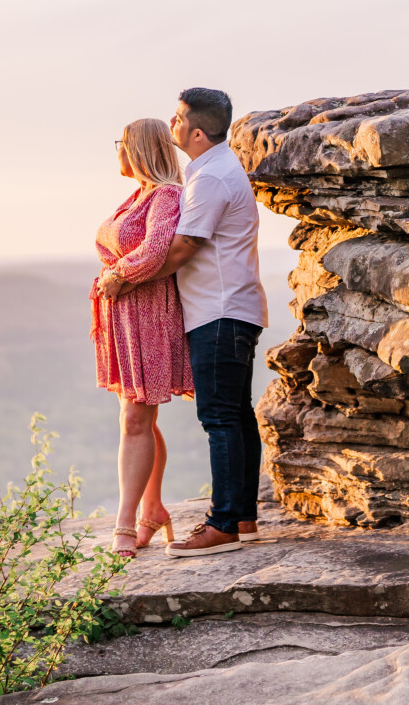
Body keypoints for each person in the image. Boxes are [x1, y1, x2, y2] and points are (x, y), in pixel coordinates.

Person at [107, 87, 268, 557]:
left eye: (177, 119)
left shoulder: (212, 179)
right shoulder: (213, 171)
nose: (170, 124)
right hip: (230, 308)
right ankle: (242, 515)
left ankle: (222, 525)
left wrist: (126, 280)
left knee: (220, 418)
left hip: (218, 311)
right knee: (238, 416)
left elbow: (181, 247)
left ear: (196, 131)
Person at [90, 118, 194, 559]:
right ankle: (153, 508)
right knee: (140, 420)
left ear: (137, 148)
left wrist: (117, 275)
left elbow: (155, 251)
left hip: (149, 317)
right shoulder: (138, 196)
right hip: (124, 318)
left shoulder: (166, 195)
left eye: (121, 143)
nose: (117, 150)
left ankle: (124, 525)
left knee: (134, 419)